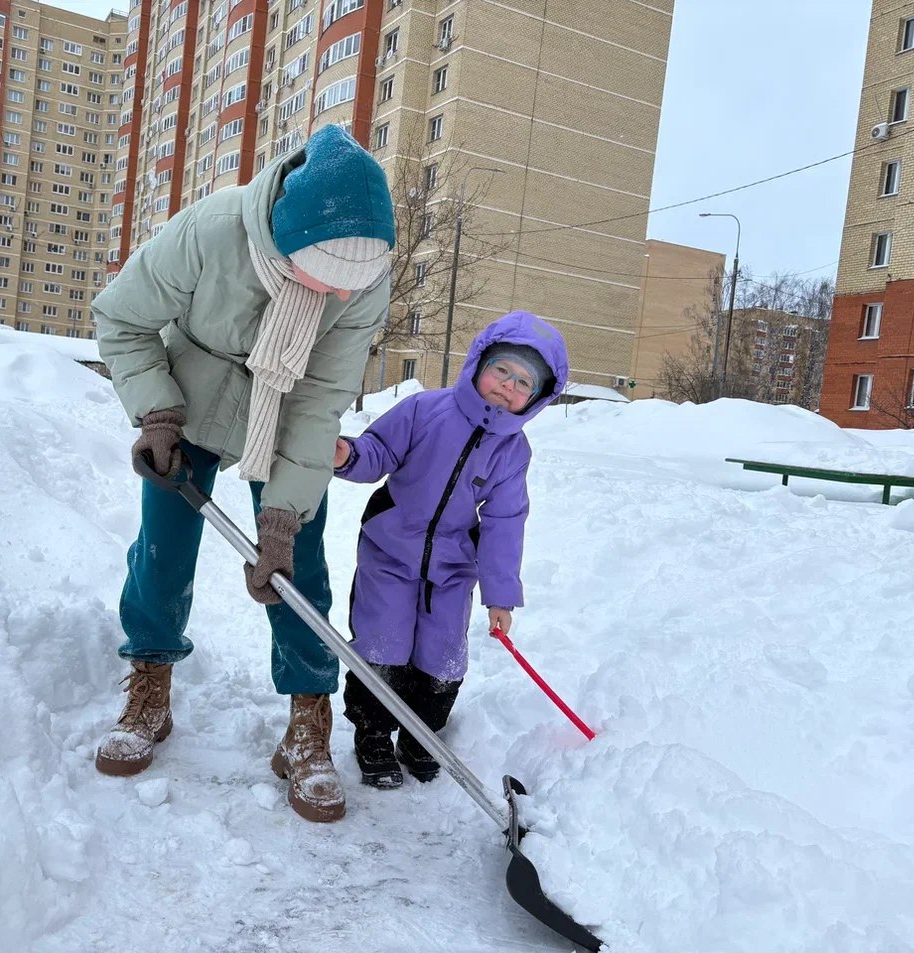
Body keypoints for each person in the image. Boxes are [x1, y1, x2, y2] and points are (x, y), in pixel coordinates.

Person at [89, 124, 395, 823]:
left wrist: (282, 515)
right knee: (161, 551)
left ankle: (307, 719)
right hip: (189, 393)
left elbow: (319, 402)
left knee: (300, 564)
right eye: (324, 273)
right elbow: (121, 320)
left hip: (286, 411)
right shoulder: (212, 231)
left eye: (354, 282)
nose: (336, 294)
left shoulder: (363, 278)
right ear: (285, 238)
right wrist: (157, 414)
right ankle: (149, 686)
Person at [331, 311, 568, 787]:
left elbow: (504, 522)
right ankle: (373, 732)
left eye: (524, 382)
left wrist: (500, 596)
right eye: (502, 369)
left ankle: (422, 734)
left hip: (453, 565)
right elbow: (378, 451)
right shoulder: (426, 409)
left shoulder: (513, 452)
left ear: (537, 399)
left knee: (443, 655)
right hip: (390, 550)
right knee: (383, 642)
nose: (508, 385)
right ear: (479, 363)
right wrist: (349, 455)